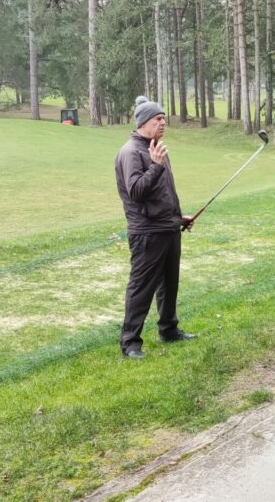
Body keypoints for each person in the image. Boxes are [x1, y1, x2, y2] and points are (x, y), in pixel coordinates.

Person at [115, 96, 197, 359]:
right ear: (143, 123)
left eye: (163, 118)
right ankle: (130, 343)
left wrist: (178, 217)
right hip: (147, 233)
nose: (163, 123)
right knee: (141, 288)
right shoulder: (131, 152)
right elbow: (136, 191)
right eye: (157, 119)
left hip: (167, 227)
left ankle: (168, 330)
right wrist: (155, 166)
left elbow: (164, 192)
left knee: (169, 284)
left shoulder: (156, 148)